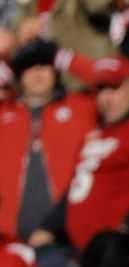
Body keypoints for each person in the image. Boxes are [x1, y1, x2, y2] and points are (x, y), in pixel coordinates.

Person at [31, 56, 129, 250]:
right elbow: (76, 188)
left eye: (114, 88)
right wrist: (47, 227)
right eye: (100, 90)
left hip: (116, 252)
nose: (106, 98)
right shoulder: (94, 133)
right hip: (78, 251)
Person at [0, 38, 96, 240]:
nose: (37, 72)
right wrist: (6, 70)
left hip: (64, 232)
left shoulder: (80, 107)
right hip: (8, 235)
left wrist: (64, 57)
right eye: (29, 67)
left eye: (44, 65)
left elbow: (107, 81)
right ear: (19, 76)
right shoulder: (5, 111)